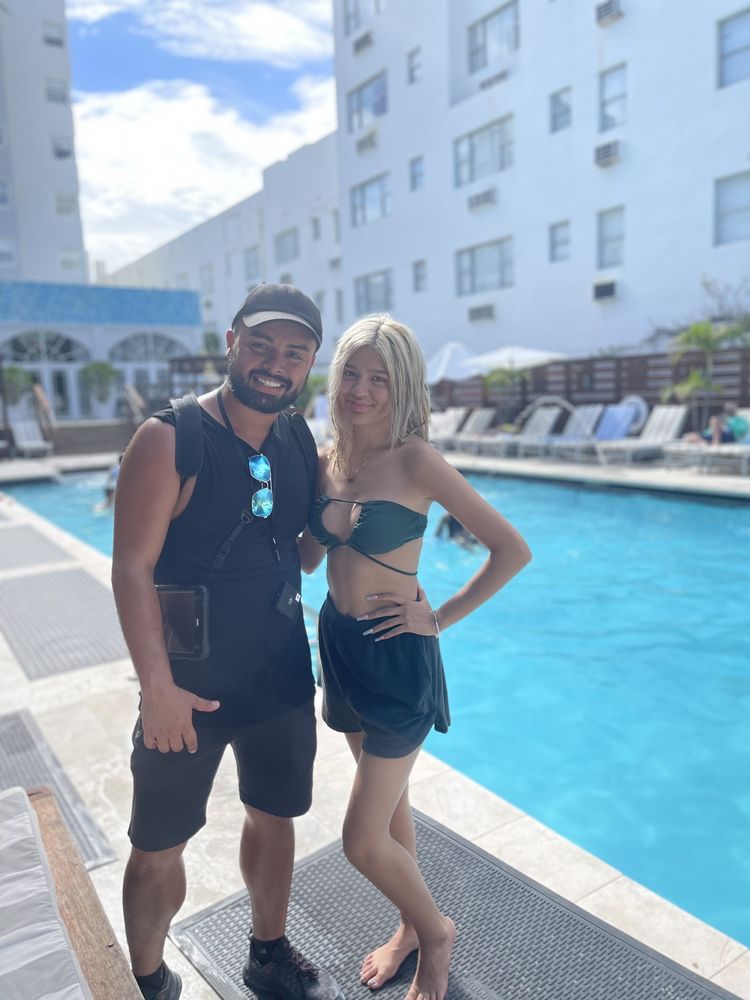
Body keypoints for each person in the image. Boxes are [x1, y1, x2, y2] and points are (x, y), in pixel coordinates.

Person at [112, 283, 344, 1000]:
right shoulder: (170, 438)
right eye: (262, 345)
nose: (276, 364)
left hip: (278, 674)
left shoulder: (297, 438)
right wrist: (157, 689)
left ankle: (267, 954)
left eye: (295, 353)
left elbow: (301, 556)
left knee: (275, 818)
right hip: (189, 684)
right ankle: (148, 979)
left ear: (309, 364)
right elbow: (131, 569)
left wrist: (341, 521)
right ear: (232, 342)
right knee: (158, 845)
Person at [298, 315, 531, 1000]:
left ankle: (435, 933)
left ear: (402, 387)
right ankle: (408, 925)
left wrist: (438, 618)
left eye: (380, 378)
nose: (361, 389)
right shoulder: (325, 460)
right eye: (351, 373)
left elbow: (511, 550)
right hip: (340, 646)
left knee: (361, 840)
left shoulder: (416, 461)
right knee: (392, 803)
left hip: (398, 657)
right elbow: (308, 558)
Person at [682, 403, 749, 445]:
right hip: (714, 434)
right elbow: (709, 430)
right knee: (689, 437)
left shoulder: (741, 420)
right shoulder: (724, 417)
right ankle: (704, 442)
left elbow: (742, 432)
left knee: (714, 419)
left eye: (731, 408)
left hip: (729, 435)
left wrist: (724, 425)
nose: (729, 410)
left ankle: (714, 442)